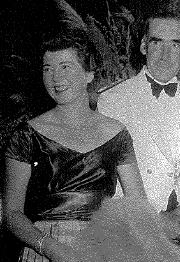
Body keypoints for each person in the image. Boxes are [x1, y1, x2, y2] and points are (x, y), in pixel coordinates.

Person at [2, 30, 148, 262]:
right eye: (47, 68)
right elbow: (11, 214)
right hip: (44, 248)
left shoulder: (117, 133)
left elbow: (138, 204)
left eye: (65, 67)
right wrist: (49, 247)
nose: (55, 78)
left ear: (89, 73)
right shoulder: (25, 135)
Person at [97, 12, 180, 246]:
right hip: (130, 231)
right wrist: (153, 222)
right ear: (143, 45)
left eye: (175, 45)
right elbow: (100, 180)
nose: (165, 55)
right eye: (157, 42)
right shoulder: (112, 101)